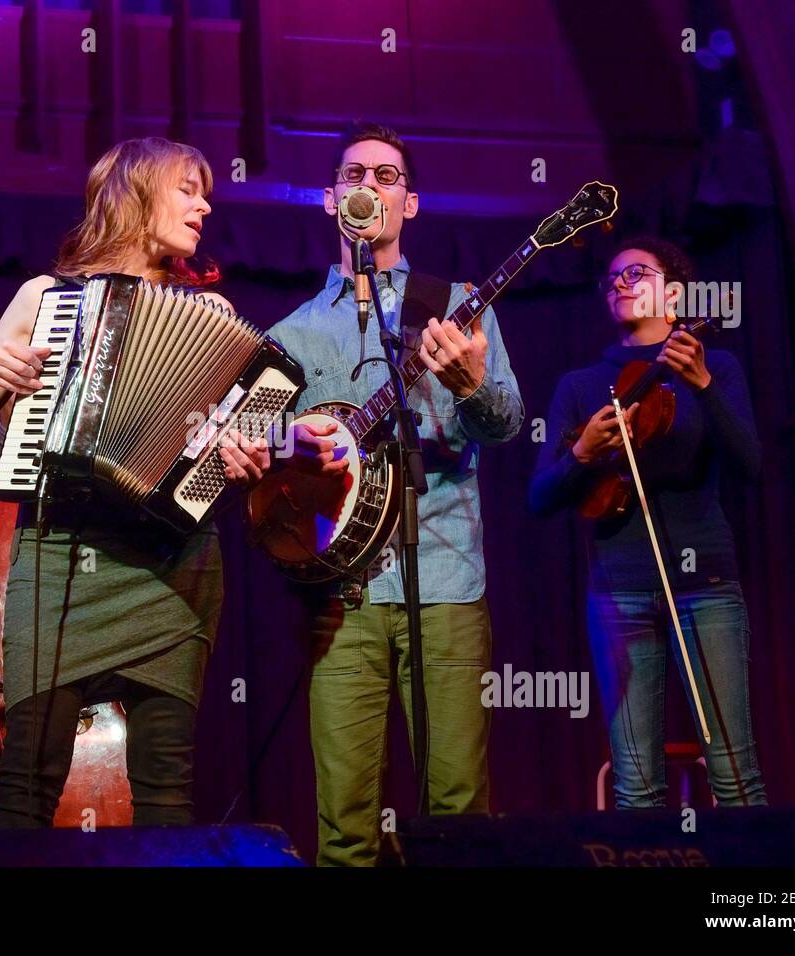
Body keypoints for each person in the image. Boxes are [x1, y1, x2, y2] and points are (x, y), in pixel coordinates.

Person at [0, 137, 269, 829]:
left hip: (172, 571)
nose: (204, 205)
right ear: (136, 193)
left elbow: (221, 460)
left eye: (204, 191)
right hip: (60, 557)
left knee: (164, 789)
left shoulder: (210, 317)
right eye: (187, 188)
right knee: (26, 782)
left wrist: (240, 462)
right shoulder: (46, 296)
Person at [266, 123, 524, 865]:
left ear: (409, 203)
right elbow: (259, 468)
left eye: (386, 176)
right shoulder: (290, 335)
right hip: (340, 599)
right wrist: (293, 446)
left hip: (445, 585)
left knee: (458, 815)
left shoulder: (461, 305)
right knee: (344, 828)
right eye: (354, 175)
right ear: (328, 200)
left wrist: (472, 385)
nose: (368, 187)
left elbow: (507, 428)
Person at [529, 237, 767, 809]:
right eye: (612, 279)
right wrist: (583, 453)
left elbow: (751, 465)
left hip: (705, 583)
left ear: (675, 292)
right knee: (636, 787)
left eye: (636, 272)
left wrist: (705, 386)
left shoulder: (715, 366)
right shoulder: (581, 386)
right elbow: (539, 498)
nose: (620, 284)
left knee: (735, 777)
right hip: (619, 587)